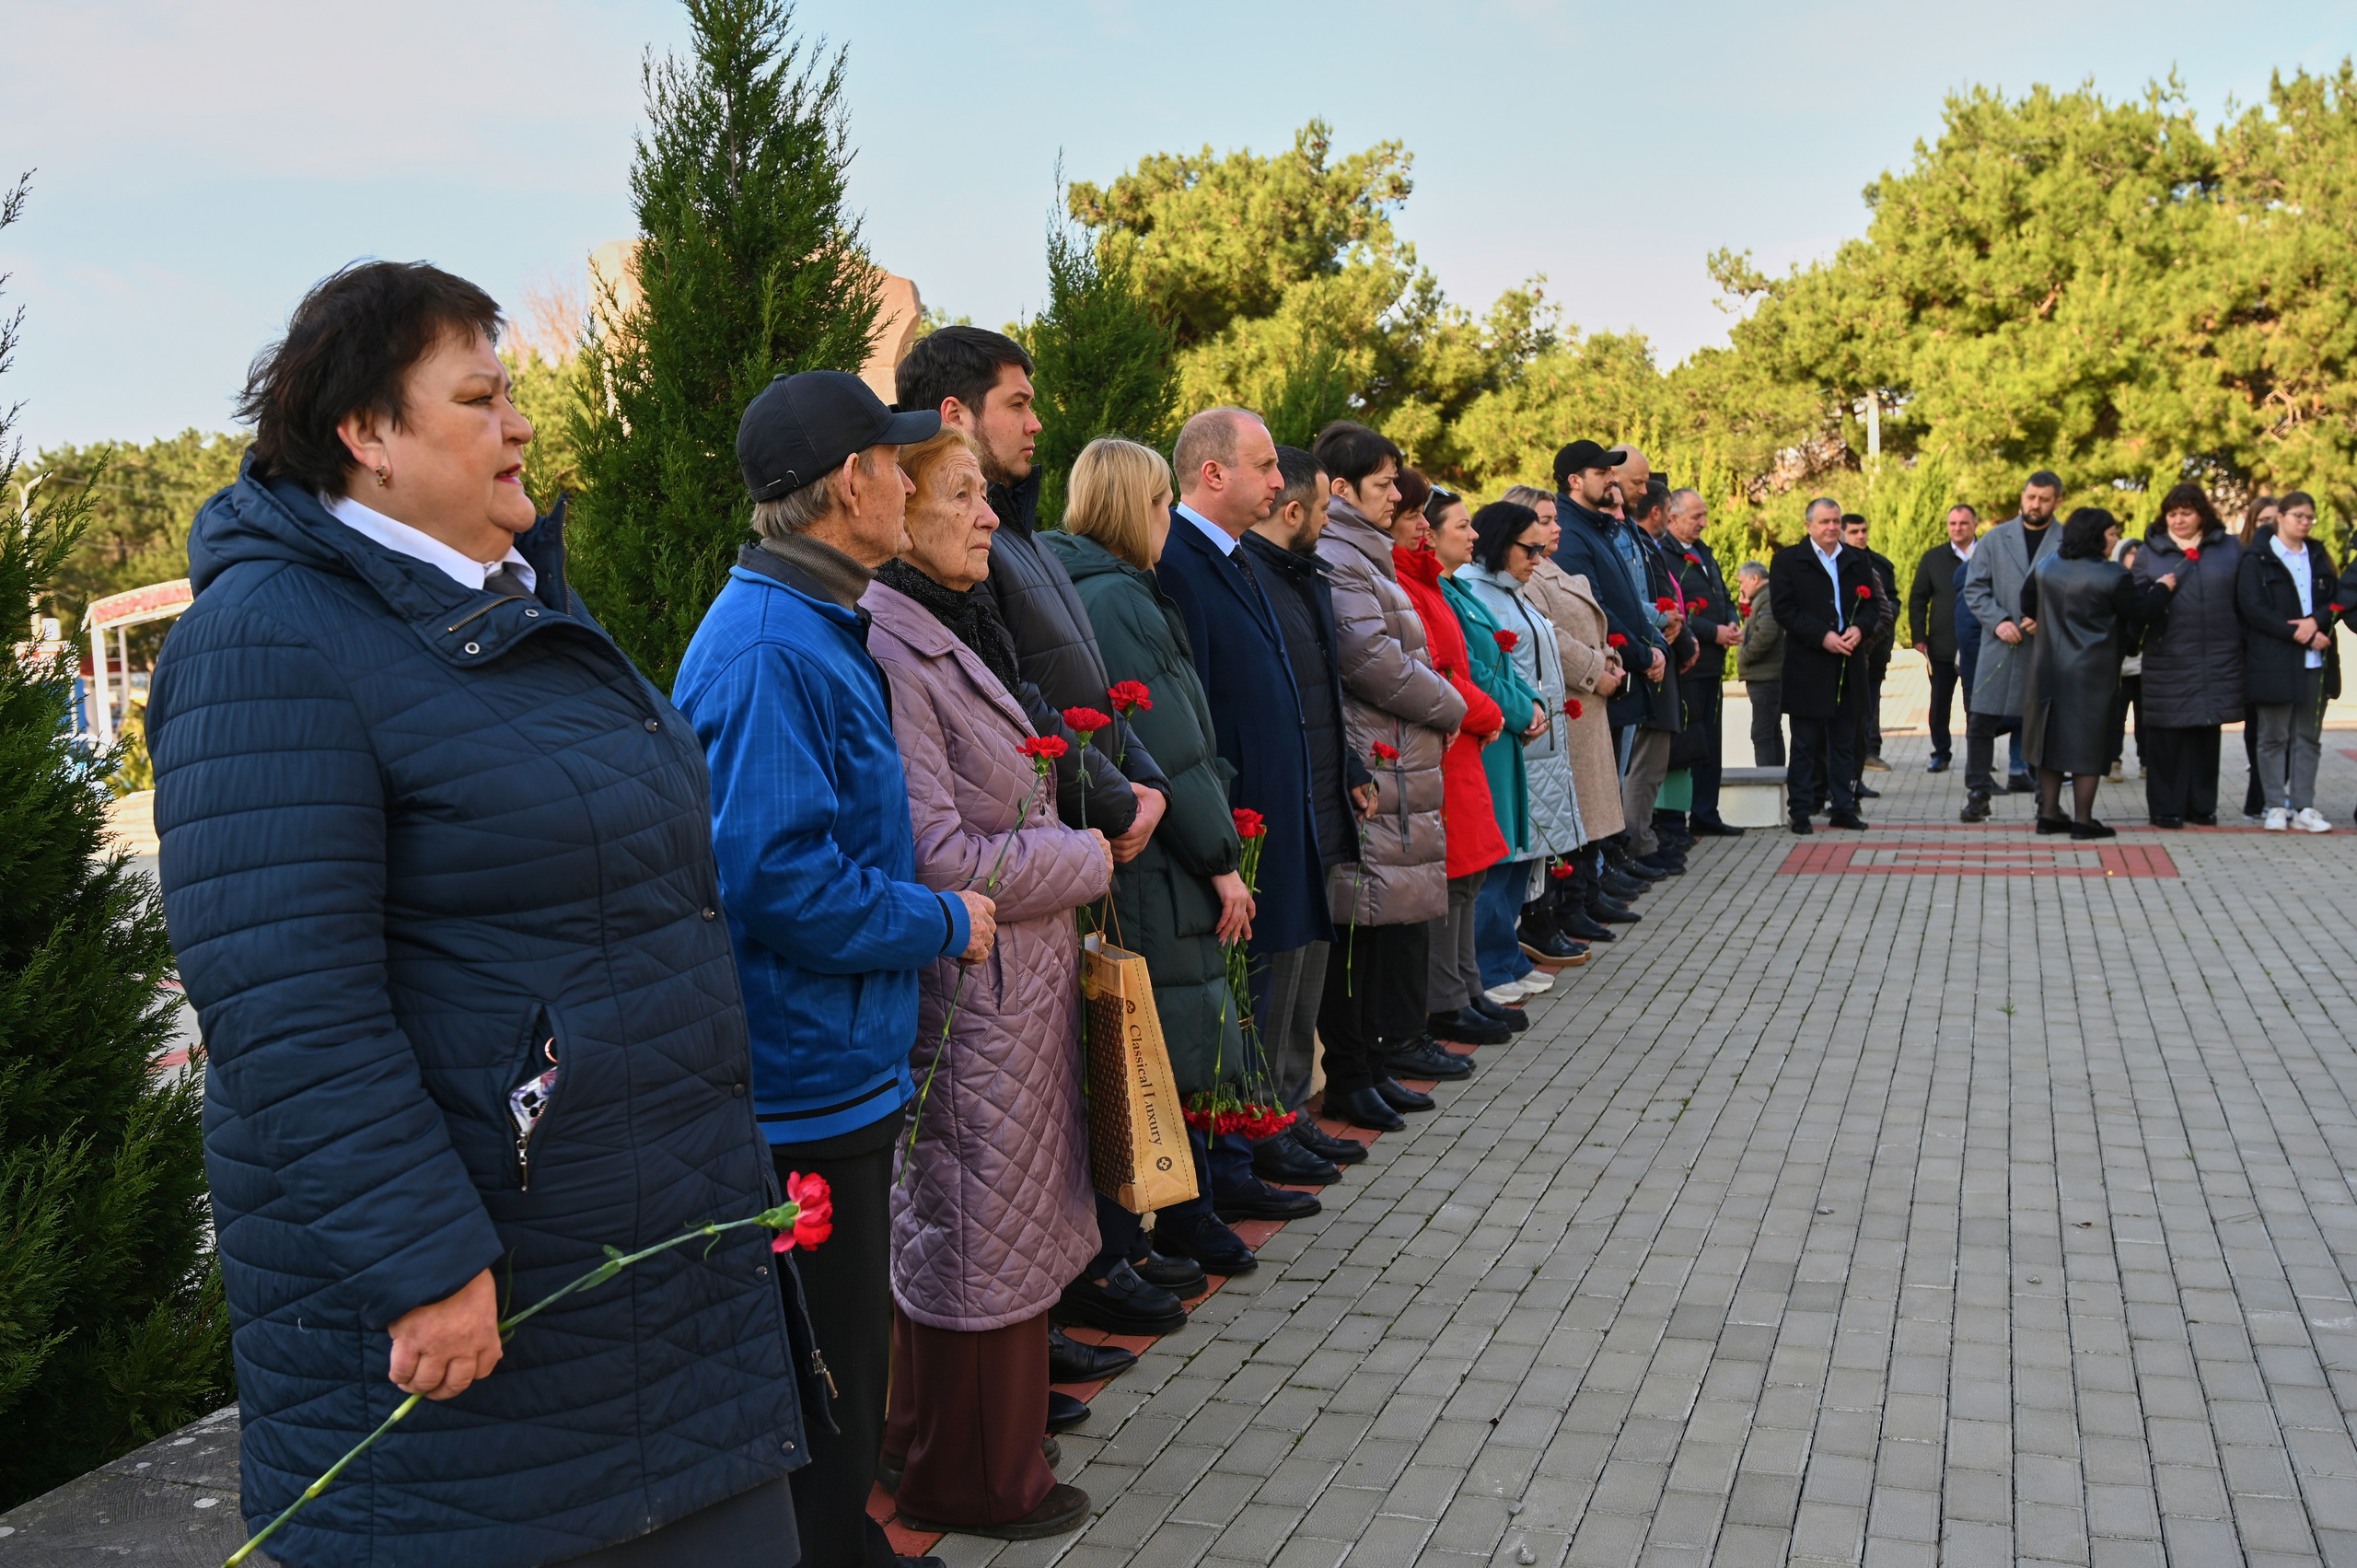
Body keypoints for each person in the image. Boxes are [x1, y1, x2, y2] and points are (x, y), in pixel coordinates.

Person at [153, 261, 813, 1568]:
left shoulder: (505, 600)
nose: (519, 423)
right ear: (367, 432)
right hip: (483, 1322)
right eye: (477, 397)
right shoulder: (268, 638)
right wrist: (422, 1260)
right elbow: (287, 1001)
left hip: (654, 1291)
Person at [673, 369, 992, 1568]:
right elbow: (777, 879)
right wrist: (941, 918)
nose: (912, 485)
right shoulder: (771, 645)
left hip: (835, 1061)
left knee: (846, 1370)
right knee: (830, 1377)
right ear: (852, 482)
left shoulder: (810, 620)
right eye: (899, 465)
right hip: (806, 1079)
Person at [893, 329, 1186, 1353]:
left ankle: (1059, 1299)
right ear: (954, 417)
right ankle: (1024, 1341)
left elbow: (1064, 697)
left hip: (1046, 879)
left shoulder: (1009, 543)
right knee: (991, 1161)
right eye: (1017, 402)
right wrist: (1106, 816)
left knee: (1043, 1136)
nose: (1037, 420)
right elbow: (1027, 723)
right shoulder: (915, 604)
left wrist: (1136, 787)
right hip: (1008, 911)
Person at [862, 429, 1109, 1539]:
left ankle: (944, 1442)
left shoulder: (941, 625)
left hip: (1004, 986)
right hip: (970, 990)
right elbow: (938, 856)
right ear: (891, 503)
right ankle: (971, 1476)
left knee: (988, 1226)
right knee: (973, 1231)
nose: (989, 515)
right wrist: (1088, 854)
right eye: (961, 494)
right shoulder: (891, 641)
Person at [1144, 409, 1334, 1271]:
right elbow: (1189, 713)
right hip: (1225, 828)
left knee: (1248, 998)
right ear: (1213, 474)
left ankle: (1245, 1151)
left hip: (1260, 818)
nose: (1279, 481)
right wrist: (1221, 839)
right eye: (1263, 466)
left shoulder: (1235, 555)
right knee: (1225, 1004)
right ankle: (1221, 1170)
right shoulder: (1180, 561)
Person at [1310, 420, 1467, 1133]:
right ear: (1341, 488)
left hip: (1395, 757)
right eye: (1383, 484)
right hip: (1374, 759)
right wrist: (1450, 703)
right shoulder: (1340, 555)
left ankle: (1373, 1064)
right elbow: (1370, 659)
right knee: (1363, 925)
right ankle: (1355, 1072)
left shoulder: (1364, 553)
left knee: (1384, 923)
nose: (1397, 496)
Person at [1238, 447, 1383, 1179]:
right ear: (1292, 510)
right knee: (1274, 978)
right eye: (1325, 509)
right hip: (1278, 811)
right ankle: (1267, 1122)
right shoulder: (1252, 579)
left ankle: (1292, 1110)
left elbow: (1321, 694)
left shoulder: (1304, 578)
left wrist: (1350, 767)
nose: (1330, 521)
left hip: (1321, 802)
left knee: (1305, 973)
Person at [1390, 487, 1516, 1053]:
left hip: (1461, 744)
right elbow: (1435, 671)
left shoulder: (1431, 583)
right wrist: (1489, 712)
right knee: (1450, 880)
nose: (1473, 535)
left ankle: (1465, 987)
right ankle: (1447, 1000)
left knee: (1468, 877)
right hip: (1447, 743)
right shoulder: (1408, 583)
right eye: (1458, 524)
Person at [1456, 498, 1591, 989]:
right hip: (1509, 744)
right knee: (1498, 865)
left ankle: (1507, 958)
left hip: (1539, 745)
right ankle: (1489, 969)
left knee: (1523, 862)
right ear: (1498, 543)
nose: (1539, 557)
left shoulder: (1513, 592)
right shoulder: (1475, 592)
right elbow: (1485, 672)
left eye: (1540, 548)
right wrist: (1523, 710)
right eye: (1529, 549)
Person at [2017, 507, 2177, 839]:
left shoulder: (2046, 565)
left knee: (2049, 739)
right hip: (2092, 671)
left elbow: (2027, 603)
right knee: (2088, 744)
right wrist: (2163, 588)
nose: (2116, 539)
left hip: (2047, 667)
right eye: (2112, 533)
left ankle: (2048, 815)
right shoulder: (2112, 575)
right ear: (2096, 536)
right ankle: (2083, 820)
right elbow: (2143, 611)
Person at [2130, 482, 2246, 828]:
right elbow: (2136, 604)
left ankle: (2202, 807)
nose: (2178, 520)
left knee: (2206, 733)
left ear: (2202, 514)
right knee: (2167, 736)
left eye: (2186, 513)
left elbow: (2244, 599)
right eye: (2172, 514)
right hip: (2168, 657)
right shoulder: (2150, 552)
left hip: (2218, 656)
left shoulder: (2230, 548)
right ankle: (2166, 809)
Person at [1769, 496, 1878, 833]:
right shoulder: (1788, 561)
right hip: (1808, 665)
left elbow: (1873, 606)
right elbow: (1784, 610)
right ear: (1809, 526)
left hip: (1848, 663)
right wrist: (1823, 636)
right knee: (1805, 744)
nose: (1832, 527)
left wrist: (1860, 629)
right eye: (1824, 522)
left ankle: (1843, 807)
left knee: (1845, 743)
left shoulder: (1857, 560)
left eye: (1836, 521)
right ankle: (1801, 810)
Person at [1959, 471, 2064, 820]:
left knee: (2046, 725)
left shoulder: (2067, 541)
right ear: (2022, 496)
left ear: (2057, 501)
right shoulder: (1994, 539)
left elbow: (2078, 592)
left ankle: (2047, 801)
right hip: (1999, 646)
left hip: (2046, 650)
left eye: (2044, 499)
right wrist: (1998, 620)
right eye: (2031, 497)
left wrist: (2047, 618)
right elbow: (1975, 588)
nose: (2036, 504)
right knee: (1980, 721)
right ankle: (1978, 794)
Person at [2236, 490, 2339, 831]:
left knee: (2307, 736)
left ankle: (2304, 806)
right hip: (2274, 659)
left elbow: (2335, 599)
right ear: (2280, 517)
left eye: (2310, 517)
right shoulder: (2257, 559)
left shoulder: (2319, 554)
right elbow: (2253, 608)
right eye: (2299, 516)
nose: (2305, 523)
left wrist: (2317, 622)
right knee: (2273, 736)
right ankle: (2275, 805)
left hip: (2315, 660)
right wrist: (2301, 632)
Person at [1611, 453, 1693, 871]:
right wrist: (1668, 625)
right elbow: (1627, 601)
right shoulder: (1625, 539)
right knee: (1640, 767)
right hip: (1640, 660)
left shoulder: (1637, 539)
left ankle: (1638, 841)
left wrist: (1676, 627)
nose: (1643, 492)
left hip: (1654, 655)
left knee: (1644, 764)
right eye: (1637, 484)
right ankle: (1636, 842)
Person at [1666, 488, 1743, 834]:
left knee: (1712, 742)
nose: (1704, 523)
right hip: (1689, 665)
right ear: (1672, 518)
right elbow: (1674, 612)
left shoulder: (1703, 552)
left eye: (1704, 515)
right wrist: (1714, 632)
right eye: (1696, 516)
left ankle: (1707, 814)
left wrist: (1732, 623)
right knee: (1692, 743)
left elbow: (1723, 595)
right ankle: (1681, 817)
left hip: (1713, 665)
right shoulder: (1665, 555)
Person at [1910, 504, 1978, 772]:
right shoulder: (1933, 558)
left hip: (1980, 645)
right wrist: (1918, 636)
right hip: (1942, 645)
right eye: (1953, 524)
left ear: (1975, 524)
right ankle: (1941, 752)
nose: (1957, 528)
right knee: (1940, 703)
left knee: (1977, 705)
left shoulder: (1988, 555)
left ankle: (1979, 754)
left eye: (1963, 523)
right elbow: (1918, 598)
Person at [1838, 513, 1898, 793]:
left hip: (1872, 652)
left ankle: (1860, 770)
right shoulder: (1833, 566)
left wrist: (1865, 637)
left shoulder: (1880, 566)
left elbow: (1890, 606)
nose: (1860, 536)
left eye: (1863, 530)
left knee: (1867, 712)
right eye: (1854, 532)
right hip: (1837, 657)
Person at [2238, 495, 2283, 818]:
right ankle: (2258, 799)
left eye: (2274, 520)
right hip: (2250, 656)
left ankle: (2276, 797)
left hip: (2287, 655)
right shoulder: (2242, 559)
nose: (2269, 527)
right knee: (2257, 730)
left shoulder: (2296, 557)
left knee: (2285, 733)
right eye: (2262, 521)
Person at [2103, 537, 2147, 782]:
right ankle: (2112, 762)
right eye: (2131, 553)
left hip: (2144, 666)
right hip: (2117, 666)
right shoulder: (2111, 584)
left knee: (2146, 717)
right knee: (2115, 718)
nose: (2136, 557)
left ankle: (2147, 762)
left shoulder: (2149, 585)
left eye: (2140, 552)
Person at [1736, 561, 1785, 765]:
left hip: (1765, 676)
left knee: (1762, 733)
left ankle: (1768, 778)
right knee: (1772, 730)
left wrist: (1744, 657)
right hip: (1767, 675)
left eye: (1742, 582)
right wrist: (1744, 606)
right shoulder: (1763, 597)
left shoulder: (1767, 598)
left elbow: (1765, 634)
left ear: (1755, 578)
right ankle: (1777, 776)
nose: (1741, 587)